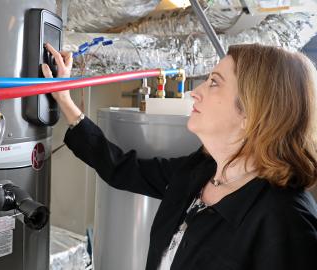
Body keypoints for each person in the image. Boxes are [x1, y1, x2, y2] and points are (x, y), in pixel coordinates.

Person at [42, 43, 317, 270]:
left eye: (213, 83)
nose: (194, 93)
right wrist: (65, 101)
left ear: (252, 112)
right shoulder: (199, 171)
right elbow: (122, 169)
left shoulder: (287, 221)